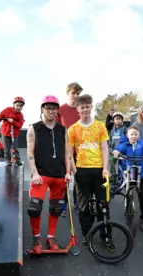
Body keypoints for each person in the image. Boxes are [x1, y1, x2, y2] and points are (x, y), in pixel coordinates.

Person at [26, 96, 71, 254]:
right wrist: (35, 173)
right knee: (34, 208)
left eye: (54, 108)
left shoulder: (62, 130)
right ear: (42, 109)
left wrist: (68, 172)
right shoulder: (34, 128)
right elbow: (30, 153)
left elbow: (67, 153)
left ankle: (50, 237)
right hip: (41, 175)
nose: (51, 111)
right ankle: (36, 237)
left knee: (56, 208)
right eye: (48, 108)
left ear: (57, 110)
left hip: (59, 175)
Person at [67, 94, 111, 248]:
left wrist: (105, 168)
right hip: (82, 170)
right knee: (83, 206)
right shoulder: (73, 129)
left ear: (91, 107)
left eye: (87, 106)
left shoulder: (100, 126)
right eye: (82, 107)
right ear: (78, 109)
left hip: (99, 170)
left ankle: (106, 236)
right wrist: (74, 170)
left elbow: (105, 148)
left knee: (103, 205)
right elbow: (69, 152)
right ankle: (87, 234)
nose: (85, 109)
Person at [112, 126, 143, 231]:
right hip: (129, 172)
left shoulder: (142, 144)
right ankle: (127, 204)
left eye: (136, 134)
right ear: (127, 135)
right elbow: (119, 148)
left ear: (138, 135)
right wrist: (116, 151)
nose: (133, 136)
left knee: (142, 196)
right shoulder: (125, 145)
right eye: (131, 134)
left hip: (141, 174)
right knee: (127, 190)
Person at [56, 82, 83, 215]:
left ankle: (78, 202)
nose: (76, 95)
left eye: (78, 93)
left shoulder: (82, 110)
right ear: (68, 94)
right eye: (73, 93)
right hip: (65, 149)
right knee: (64, 177)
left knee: (78, 176)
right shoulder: (61, 109)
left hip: (80, 150)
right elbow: (55, 129)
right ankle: (64, 204)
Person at [0, 97, 25, 166]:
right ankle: (8, 160)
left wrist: (13, 121)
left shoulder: (21, 116)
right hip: (5, 132)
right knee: (6, 148)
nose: (18, 107)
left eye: (20, 106)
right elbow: (1, 115)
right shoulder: (7, 110)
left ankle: (17, 160)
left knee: (15, 147)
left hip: (14, 134)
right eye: (17, 105)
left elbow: (19, 125)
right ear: (14, 105)